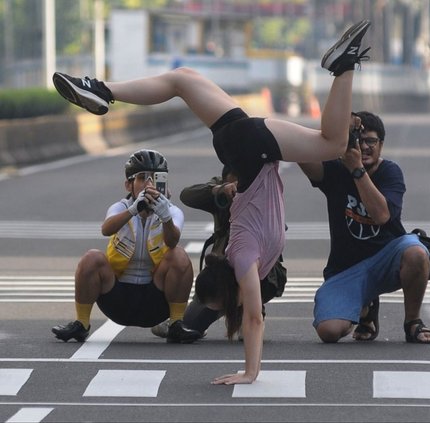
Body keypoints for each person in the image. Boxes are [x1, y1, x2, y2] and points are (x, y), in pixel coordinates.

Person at [52, 19, 371, 385]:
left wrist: (251, 372)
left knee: (331, 143)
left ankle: (343, 66)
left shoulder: (244, 254)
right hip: (243, 145)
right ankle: (98, 89)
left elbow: (253, 317)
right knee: (182, 79)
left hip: (252, 148)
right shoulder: (247, 252)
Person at [298, 111, 430, 345]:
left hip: (386, 259)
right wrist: (334, 133)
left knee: (416, 252)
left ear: (381, 145)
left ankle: (412, 322)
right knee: (329, 332)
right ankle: (365, 309)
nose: (364, 147)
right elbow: (302, 153)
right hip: (346, 269)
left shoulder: (390, 172)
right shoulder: (334, 169)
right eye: (357, 140)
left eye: (370, 141)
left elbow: (382, 215)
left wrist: (357, 170)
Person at [51, 149, 202, 344]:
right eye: (142, 178)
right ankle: (81, 324)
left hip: (154, 299)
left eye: (155, 178)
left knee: (179, 255)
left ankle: (175, 324)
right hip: (118, 297)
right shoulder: (121, 207)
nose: (149, 184)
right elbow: (106, 229)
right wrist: (133, 210)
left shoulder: (171, 211)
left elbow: (172, 241)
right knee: (92, 257)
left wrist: (165, 217)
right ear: (128, 185)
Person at [150, 165, 287, 339]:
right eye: (233, 186)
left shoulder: (264, 192)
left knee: (249, 330)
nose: (237, 191)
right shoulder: (222, 193)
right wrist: (219, 191)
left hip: (261, 272)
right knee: (186, 327)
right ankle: (226, 311)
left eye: (241, 185)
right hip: (221, 278)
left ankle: (252, 310)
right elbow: (187, 195)